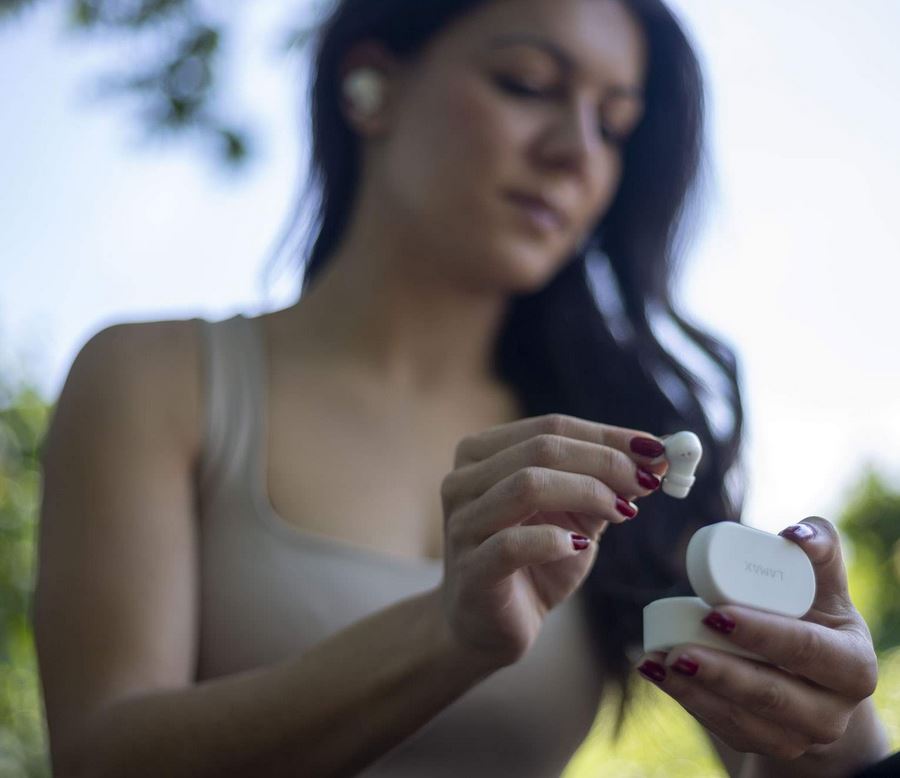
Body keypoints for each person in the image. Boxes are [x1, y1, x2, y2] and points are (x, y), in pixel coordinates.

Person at [32, 0, 891, 776]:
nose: (576, 152)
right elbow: (100, 756)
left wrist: (829, 719)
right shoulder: (154, 376)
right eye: (527, 84)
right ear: (371, 85)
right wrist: (444, 638)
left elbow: (788, 746)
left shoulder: (630, 438)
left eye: (614, 126)